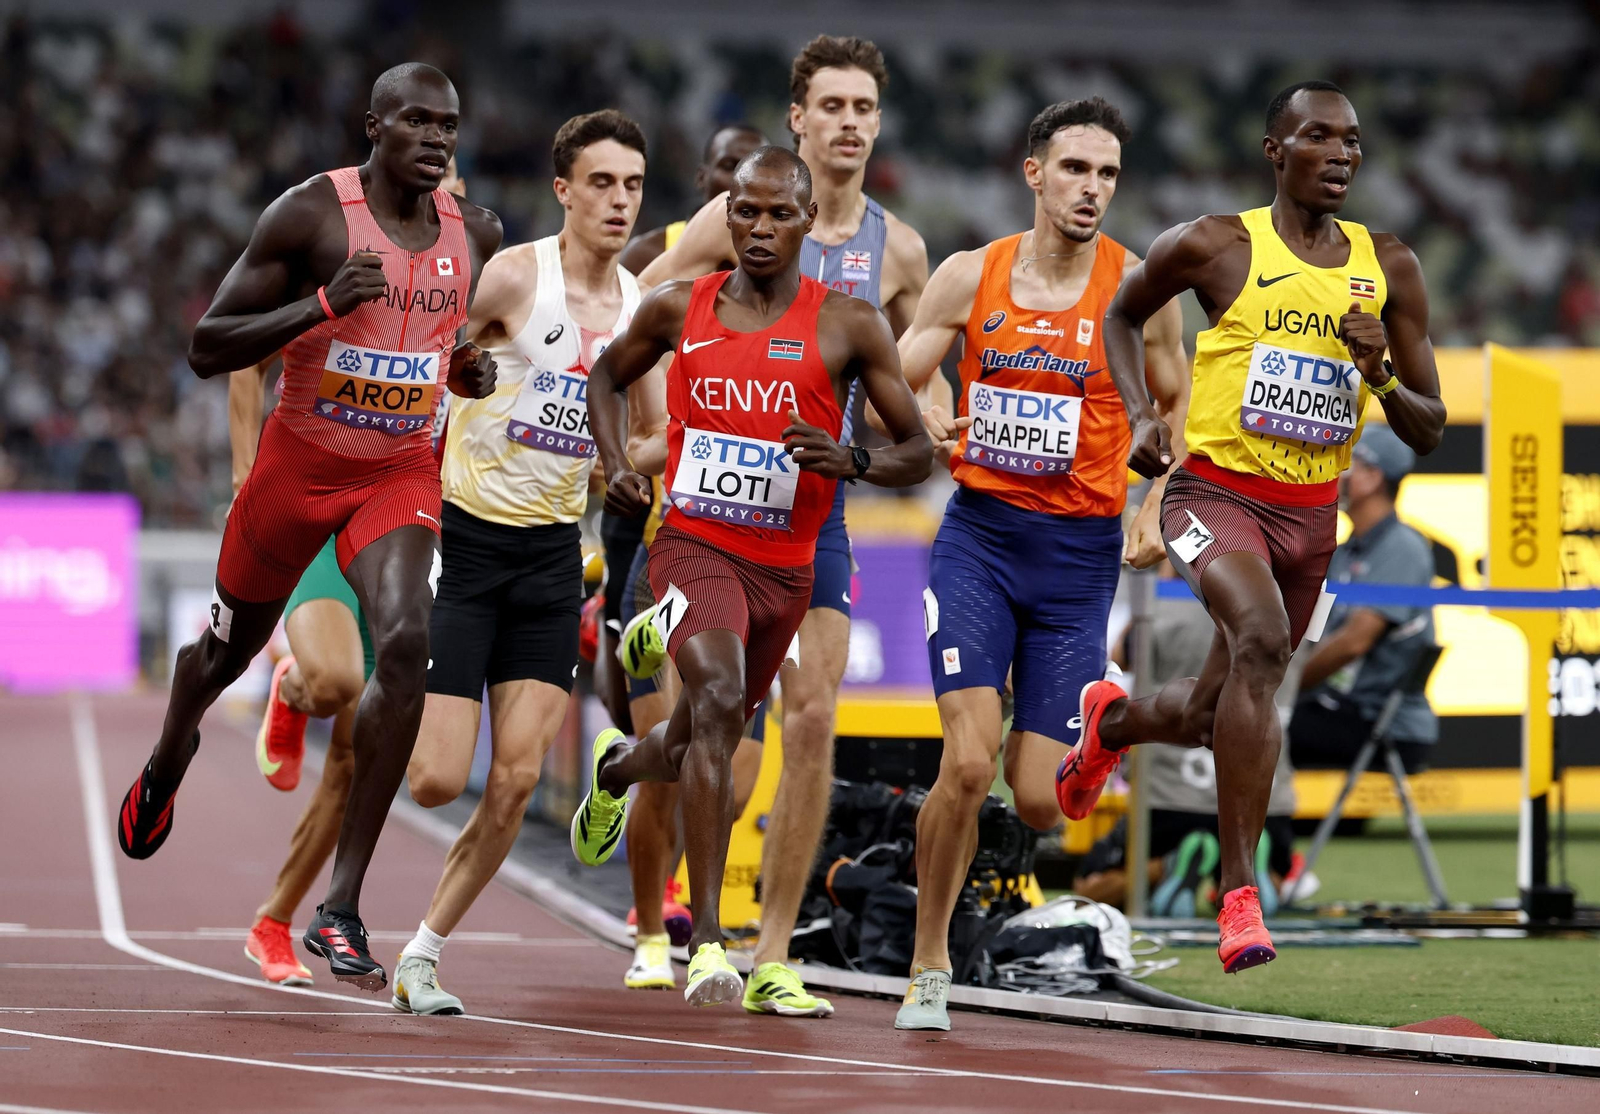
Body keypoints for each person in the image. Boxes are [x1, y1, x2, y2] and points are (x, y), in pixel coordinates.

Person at [115, 63, 503, 993]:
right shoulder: (311, 218)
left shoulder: (477, 236)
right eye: (416, 120)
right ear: (373, 126)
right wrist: (323, 304)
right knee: (222, 656)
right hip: (297, 473)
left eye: (449, 124)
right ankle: (171, 756)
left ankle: (342, 905)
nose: (437, 137)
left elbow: (441, 350)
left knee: (406, 642)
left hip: (399, 475)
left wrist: (466, 376)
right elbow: (209, 345)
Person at [1058, 79, 1447, 975]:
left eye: (1353, 140)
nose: (1343, 153)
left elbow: (1430, 429)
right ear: (1277, 151)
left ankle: (1110, 728)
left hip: (1311, 518)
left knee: (1208, 711)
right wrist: (1144, 415)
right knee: (1265, 642)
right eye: (1320, 137)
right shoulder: (1215, 244)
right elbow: (1121, 312)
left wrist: (1380, 373)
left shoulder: (1390, 265)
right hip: (1216, 495)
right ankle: (1242, 898)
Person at [573, 146, 932, 1010]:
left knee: (701, 731)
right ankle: (709, 943)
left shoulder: (849, 322)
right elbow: (604, 377)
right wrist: (619, 461)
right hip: (694, 544)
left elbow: (915, 450)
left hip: (789, 567)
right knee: (723, 705)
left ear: (810, 223)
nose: (761, 228)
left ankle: (618, 768)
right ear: (724, 217)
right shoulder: (675, 307)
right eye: (746, 212)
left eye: (779, 214)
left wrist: (850, 460)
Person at [887, 98, 1189, 1031]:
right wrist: (928, 410)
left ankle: (1098, 730)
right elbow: (895, 371)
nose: (1091, 189)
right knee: (968, 766)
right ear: (1034, 173)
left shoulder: (1138, 287)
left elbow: (1175, 415)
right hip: (980, 540)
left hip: (1079, 559)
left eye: (1105, 173)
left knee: (1039, 804)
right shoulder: (968, 275)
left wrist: (1152, 502)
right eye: (1074, 170)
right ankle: (928, 964)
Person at [387, 110, 648, 1015]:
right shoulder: (513, 275)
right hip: (463, 540)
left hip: (549, 557)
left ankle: (421, 955)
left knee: (518, 779)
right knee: (434, 780)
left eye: (634, 186)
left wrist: (625, 467)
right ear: (564, 189)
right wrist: (460, 372)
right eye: (603, 183)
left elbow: (653, 431)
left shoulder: (640, 311)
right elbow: (428, 358)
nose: (620, 202)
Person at [237, 163, 468, 987]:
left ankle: (276, 920)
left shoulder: (462, 298)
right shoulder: (347, 268)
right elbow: (244, 356)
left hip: (399, 524)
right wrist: (246, 479)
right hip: (318, 497)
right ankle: (295, 683)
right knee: (336, 681)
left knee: (355, 764)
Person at [614, 123, 772, 992]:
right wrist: (637, 461)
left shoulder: (791, 302)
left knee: (733, 769)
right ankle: (650, 932)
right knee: (674, 763)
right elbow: (608, 371)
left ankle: (662, 855)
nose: (740, 212)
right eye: (726, 191)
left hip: (756, 561)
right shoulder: (659, 276)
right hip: (661, 548)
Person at [1073, 560, 1297, 918]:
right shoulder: (1287, 611)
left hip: (1172, 797)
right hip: (1264, 802)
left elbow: (1120, 656)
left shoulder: (1165, 608)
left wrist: (1165, 580)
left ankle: (1166, 867)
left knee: (1090, 884)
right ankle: (1258, 873)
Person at [1289, 424, 1437, 774]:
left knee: (1247, 726)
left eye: (1344, 463)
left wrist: (1280, 690)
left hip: (1383, 724)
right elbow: (1313, 633)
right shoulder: (1343, 552)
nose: (1332, 473)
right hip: (1337, 708)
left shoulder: (1403, 548)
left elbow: (1353, 643)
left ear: (1371, 477)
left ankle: (1270, 829)